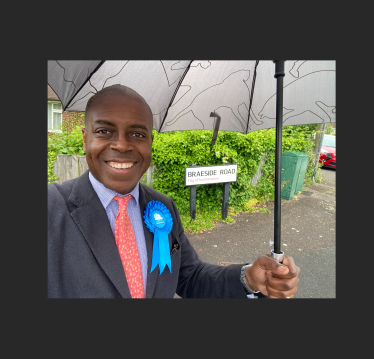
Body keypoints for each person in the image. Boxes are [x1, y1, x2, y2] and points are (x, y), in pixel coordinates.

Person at [48, 84, 300, 298]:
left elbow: (190, 277)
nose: (122, 145)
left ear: (150, 142)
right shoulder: (51, 208)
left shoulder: (162, 207)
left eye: (137, 133)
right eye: (104, 131)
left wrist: (248, 278)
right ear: (84, 138)